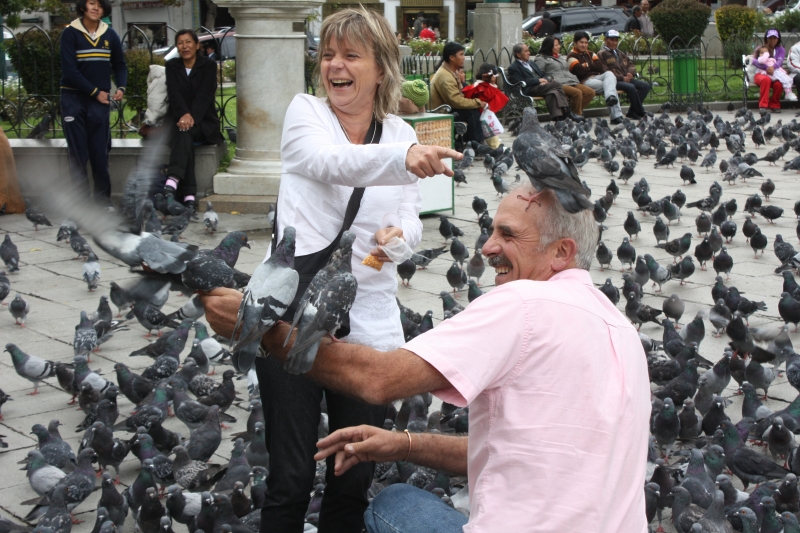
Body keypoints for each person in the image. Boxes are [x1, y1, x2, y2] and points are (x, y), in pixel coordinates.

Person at [199, 185, 651, 533]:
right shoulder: (623, 332)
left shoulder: (523, 304)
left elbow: (379, 380)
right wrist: (403, 444)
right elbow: (512, 449)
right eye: (492, 230)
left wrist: (260, 330)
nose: (486, 247)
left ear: (561, 252)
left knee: (392, 502)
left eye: (508, 234)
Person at [230, 8, 457, 533]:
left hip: (367, 321)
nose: (335, 65)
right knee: (289, 479)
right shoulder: (305, 113)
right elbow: (328, 162)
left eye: (351, 55)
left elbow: (411, 217)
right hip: (291, 312)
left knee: (353, 475)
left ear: (381, 69)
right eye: (329, 54)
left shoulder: (399, 130)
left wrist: (398, 239)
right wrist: (403, 156)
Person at [59, 0, 127, 208]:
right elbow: (70, 72)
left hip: (99, 102)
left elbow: (119, 65)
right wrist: (95, 92)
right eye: (91, 3)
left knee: (100, 153)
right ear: (83, 7)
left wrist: (121, 87)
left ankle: (102, 203)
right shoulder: (70, 33)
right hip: (73, 100)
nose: (96, 8)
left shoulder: (110, 35)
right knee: (78, 155)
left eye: (100, 4)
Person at [163, 29, 224, 212]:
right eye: (180, 43)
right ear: (177, 47)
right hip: (178, 121)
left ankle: (173, 179)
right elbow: (174, 94)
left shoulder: (208, 66)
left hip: (203, 122)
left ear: (197, 45)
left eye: (188, 42)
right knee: (184, 133)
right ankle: (189, 196)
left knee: (185, 132)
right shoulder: (172, 66)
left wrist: (191, 116)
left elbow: (205, 95)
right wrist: (183, 115)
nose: (185, 46)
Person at [429, 41, 489, 143]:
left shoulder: (451, 71)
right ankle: (476, 145)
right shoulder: (445, 76)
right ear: (452, 57)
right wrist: (477, 102)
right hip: (441, 113)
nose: (464, 57)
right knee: (472, 111)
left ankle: (472, 143)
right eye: (461, 54)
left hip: (448, 109)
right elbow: (456, 101)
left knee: (473, 107)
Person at [507, 42, 583, 122]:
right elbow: (520, 81)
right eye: (526, 51)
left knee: (553, 92)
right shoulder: (513, 67)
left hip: (541, 87)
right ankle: (567, 112)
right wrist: (538, 81)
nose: (529, 53)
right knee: (557, 84)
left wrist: (546, 80)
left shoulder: (531, 63)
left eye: (528, 50)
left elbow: (542, 74)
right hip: (529, 89)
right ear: (518, 54)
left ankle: (558, 119)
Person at [567, 30, 624, 124]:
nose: (584, 45)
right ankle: (616, 116)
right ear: (575, 43)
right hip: (584, 81)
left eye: (586, 43)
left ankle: (610, 97)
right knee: (610, 87)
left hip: (597, 77)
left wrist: (585, 65)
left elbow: (600, 67)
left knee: (609, 74)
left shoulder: (590, 53)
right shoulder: (571, 56)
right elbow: (580, 72)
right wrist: (591, 66)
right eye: (581, 42)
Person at [533, 37, 595, 118]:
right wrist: (550, 79)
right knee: (577, 93)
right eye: (556, 45)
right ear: (549, 46)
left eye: (559, 44)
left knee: (590, 92)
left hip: (570, 81)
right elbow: (538, 74)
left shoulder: (559, 57)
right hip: (558, 84)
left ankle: (572, 114)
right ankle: (577, 116)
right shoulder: (541, 59)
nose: (559, 47)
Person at [596, 29, 650, 120]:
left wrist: (630, 73)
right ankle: (641, 111)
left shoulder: (620, 53)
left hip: (626, 78)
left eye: (616, 40)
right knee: (631, 87)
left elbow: (631, 65)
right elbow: (604, 70)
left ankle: (632, 112)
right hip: (614, 81)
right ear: (605, 40)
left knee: (645, 86)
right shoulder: (602, 54)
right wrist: (622, 78)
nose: (614, 43)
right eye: (611, 40)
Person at [462, 63, 509, 148]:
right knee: (490, 132)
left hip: (482, 113)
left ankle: (495, 145)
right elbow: (488, 95)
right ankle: (496, 147)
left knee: (490, 131)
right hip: (482, 114)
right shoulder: (483, 86)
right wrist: (492, 84)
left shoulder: (479, 84)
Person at [752, 29, 788, 112]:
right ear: (766, 39)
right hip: (761, 74)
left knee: (779, 84)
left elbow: (780, 61)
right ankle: (763, 106)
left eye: (774, 38)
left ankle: (774, 104)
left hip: (775, 74)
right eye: (770, 38)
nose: (772, 40)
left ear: (778, 39)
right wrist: (766, 68)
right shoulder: (760, 48)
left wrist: (773, 67)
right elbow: (754, 61)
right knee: (766, 79)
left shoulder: (781, 49)